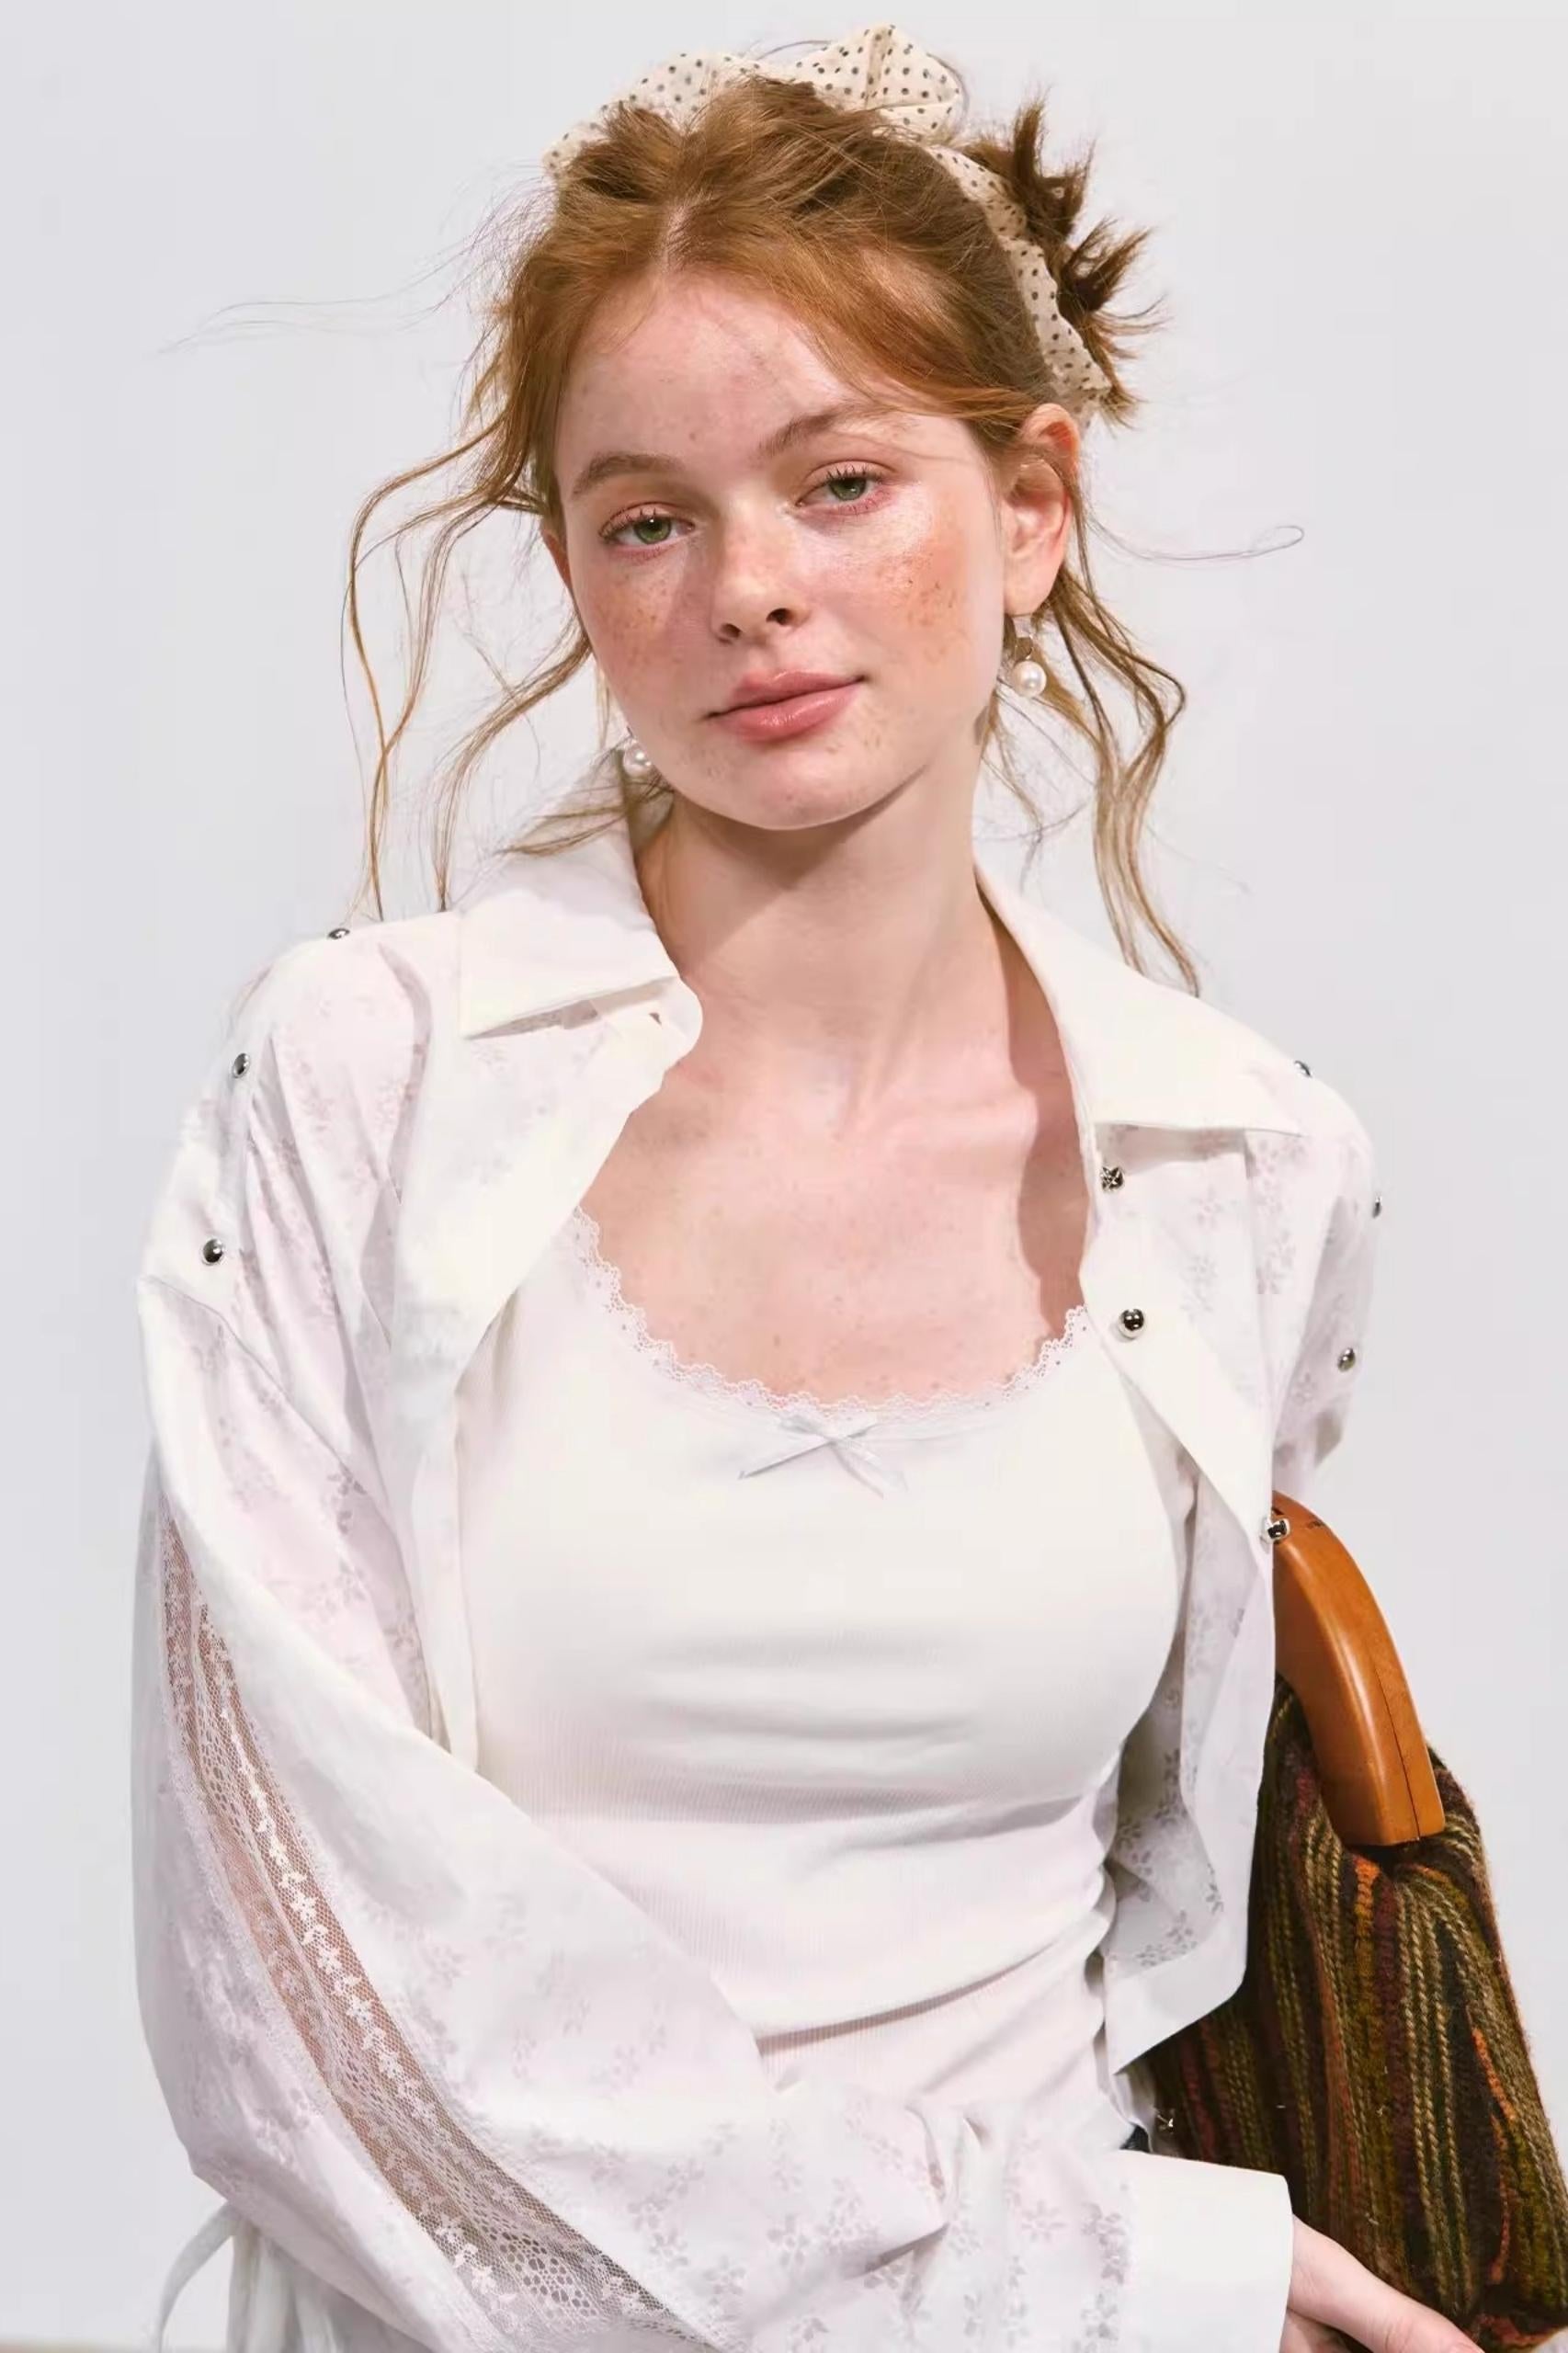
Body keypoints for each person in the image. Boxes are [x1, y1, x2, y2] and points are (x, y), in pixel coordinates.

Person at [131, 24, 1477, 2352]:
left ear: (1030, 507)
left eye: (840, 482)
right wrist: (1116, 2280)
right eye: (645, 517)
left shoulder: (1238, 1161)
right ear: (575, 568)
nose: (747, 587)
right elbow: (307, 2003)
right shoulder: (366, 1089)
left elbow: (1166, 1906)